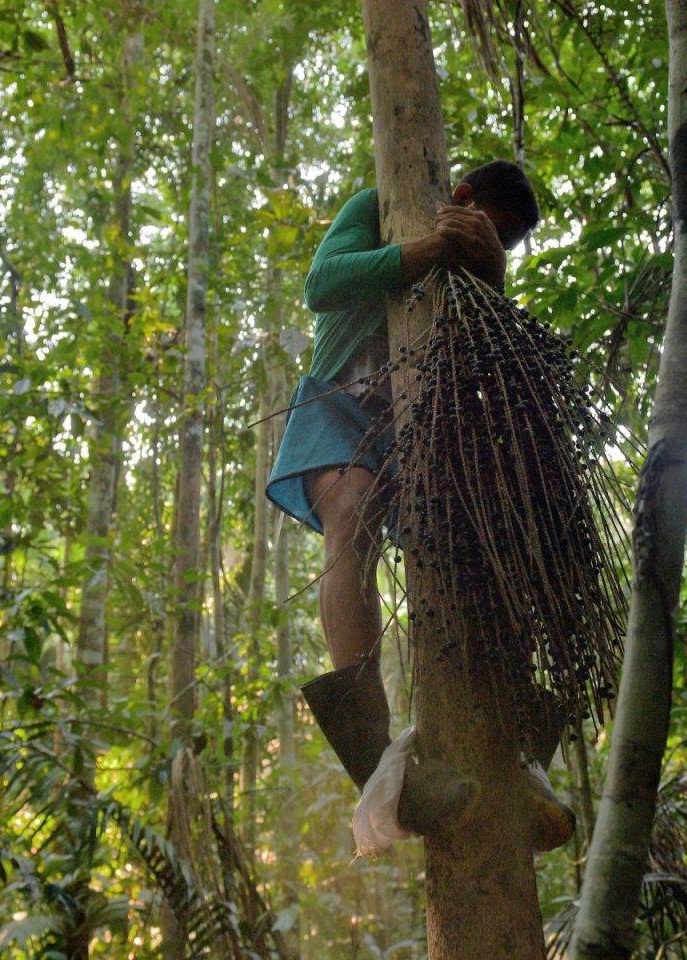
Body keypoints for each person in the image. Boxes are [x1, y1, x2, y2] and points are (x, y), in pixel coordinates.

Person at [266, 160, 574, 850]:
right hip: (342, 405)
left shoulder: (479, 268)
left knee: (502, 550)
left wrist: (491, 279)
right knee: (350, 518)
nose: (483, 247)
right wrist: (425, 249)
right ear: (461, 199)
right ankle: (375, 758)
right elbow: (323, 285)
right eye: (488, 233)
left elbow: (490, 368)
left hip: (425, 435)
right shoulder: (376, 206)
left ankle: (514, 749)